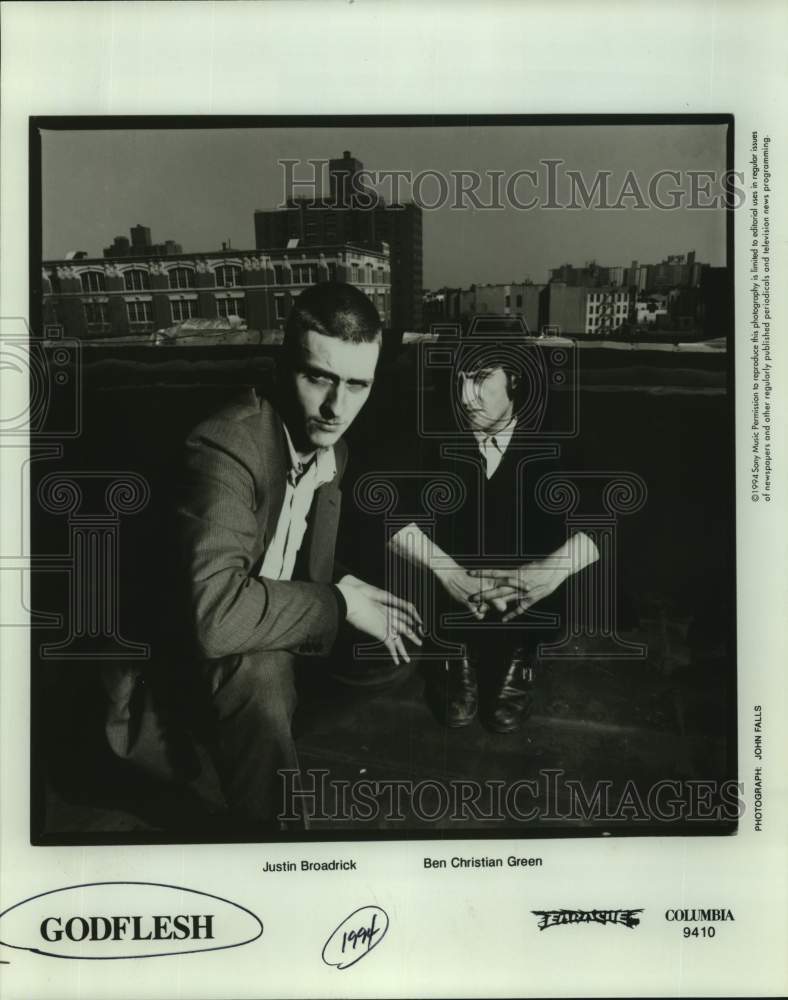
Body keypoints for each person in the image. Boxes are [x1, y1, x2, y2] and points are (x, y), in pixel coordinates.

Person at [176, 282, 422, 829]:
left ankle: (263, 740)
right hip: (189, 662)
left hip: (256, 617)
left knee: (391, 641)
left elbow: (285, 558)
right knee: (260, 676)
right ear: (280, 367)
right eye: (319, 378)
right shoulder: (226, 446)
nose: (337, 407)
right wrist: (337, 602)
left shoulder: (333, 445)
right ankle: (276, 840)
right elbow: (214, 617)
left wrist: (346, 588)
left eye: (358, 385)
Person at [388, 338, 599, 733]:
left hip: (528, 590)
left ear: (514, 381)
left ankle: (524, 652)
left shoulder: (553, 436)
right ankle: (454, 650)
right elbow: (381, 507)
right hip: (449, 593)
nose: (466, 395)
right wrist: (448, 572)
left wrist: (549, 571)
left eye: (482, 378)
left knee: (561, 531)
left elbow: (611, 511)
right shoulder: (433, 430)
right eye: (461, 379)